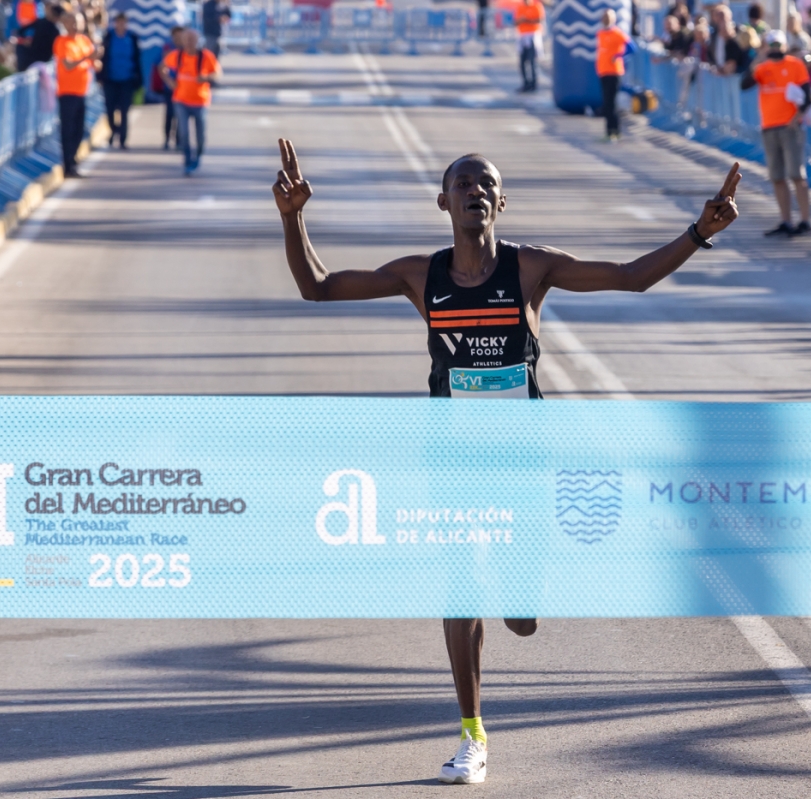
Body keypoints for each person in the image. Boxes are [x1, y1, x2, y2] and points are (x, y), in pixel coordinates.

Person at [272, 138, 741, 785]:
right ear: (444, 201)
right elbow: (317, 289)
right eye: (463, 183)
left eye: (487, 183)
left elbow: (629, 276)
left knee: (520, 618)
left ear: (501, 202)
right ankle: (472, 735)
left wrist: (698, 232)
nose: (476, 190)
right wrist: (293, 219)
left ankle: (522, 584)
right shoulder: (422, 275)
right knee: (459, 584)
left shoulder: (530, 270)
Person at [743, 29, 811, 236]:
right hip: (769, 126)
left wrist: (796, 117)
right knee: (777, 176)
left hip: (789, 127)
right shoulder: (762, 68)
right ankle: (786, 220)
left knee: (796, 174)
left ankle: (805, 220)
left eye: (777, 45)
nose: (774, 50)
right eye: (770, 46)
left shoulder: (795, 65)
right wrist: (756, 63)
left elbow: (808, 95)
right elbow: (744, 84)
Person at [160, 29, 221, 174]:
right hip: (181, 100)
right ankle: (187, 160)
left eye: (192, 39)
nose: (189, 43)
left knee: (200, 136)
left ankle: (197, 156)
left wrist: (205, 78)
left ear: (197, 41)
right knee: (184, 133)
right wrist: (169, 81)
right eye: (186, 39)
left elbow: (217, 74)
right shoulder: (177, 56)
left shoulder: (206, 56)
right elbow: (162, 67)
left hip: (200, 102)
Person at [53, 11, 94, 178]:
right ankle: (68, 165)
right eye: (72, 22)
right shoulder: (62, 42)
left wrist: (94, 59)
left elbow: (94, 62)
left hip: (82, 91)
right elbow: (68, 65)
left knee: (79, 130)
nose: (75, 26)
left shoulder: (84, 41)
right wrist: (85, 58)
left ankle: (73, 160)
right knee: (68, 131)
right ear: (65, 24)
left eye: (78, 22)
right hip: (67, 92)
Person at [99, 11, 142, 149]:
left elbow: (137, 59)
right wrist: (100, 76)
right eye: (119, 22)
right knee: (109, 109)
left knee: (124, 110)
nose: (121, 25)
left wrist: (138, 79)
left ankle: (123, 139)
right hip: (110, 79)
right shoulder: (109, 36)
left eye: (124, 22)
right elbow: (102, 57)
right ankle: (114, 130)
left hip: (127, 79)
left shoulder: (132, 38)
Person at [596, 8, 629, 142]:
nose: (606, 19)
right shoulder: (600, 33)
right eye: (604, 17)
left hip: (614, 72)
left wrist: (618, 56)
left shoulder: (617, 33)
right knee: (607, 103)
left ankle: (613, 131)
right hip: (603, 71)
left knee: (611, 103)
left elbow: (631, 47)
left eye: (608, 17)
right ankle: (610, 131)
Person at [153, 26, 184, 150]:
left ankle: (178, 140)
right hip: (170, 86)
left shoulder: (186, 49)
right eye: (176, 35)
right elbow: (161, 66)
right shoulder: (168, 48)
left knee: (180, 115)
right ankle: (166, 138)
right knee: (170, 113)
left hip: (183, 88)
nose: (179, 38)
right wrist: (168, 81)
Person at [15, 1, 61, 71]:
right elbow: (22, 30)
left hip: (43, 60)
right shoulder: (41, 21)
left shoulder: (56, 30)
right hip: (31, 56)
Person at [513, 0, 544, 92]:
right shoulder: (520, 7)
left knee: (532, 61)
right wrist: (521, 20)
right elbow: (515, 22)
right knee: (522, 62)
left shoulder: (536, 6)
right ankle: (525, 83)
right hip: (522, 36)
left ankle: (533, 83)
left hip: (532, 36)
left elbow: (539, 20)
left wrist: (526, 20)